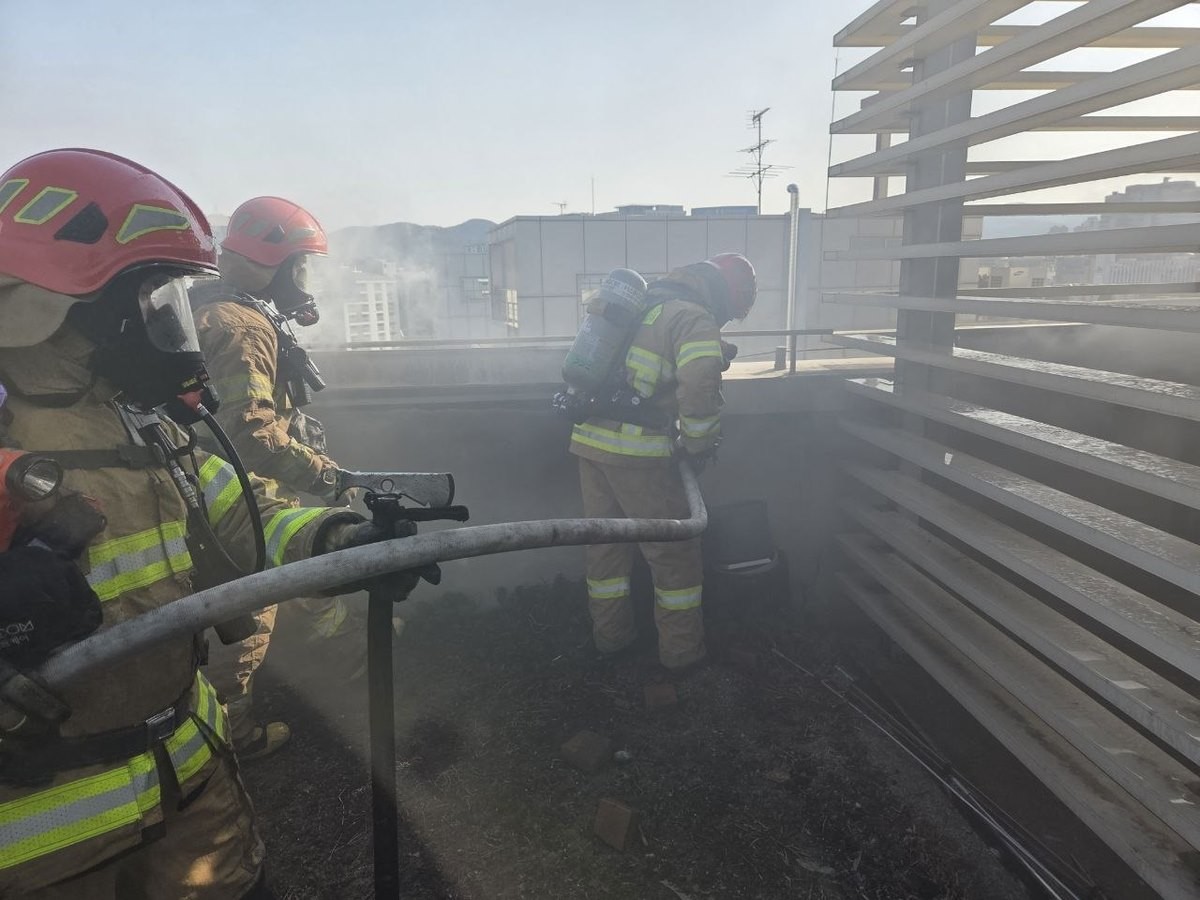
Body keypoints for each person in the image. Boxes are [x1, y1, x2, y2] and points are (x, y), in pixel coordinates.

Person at [0, 148, 414, 899]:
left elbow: (244, 519)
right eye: (147, 299)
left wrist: (339, 541)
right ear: (59, 310)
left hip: (189, 776)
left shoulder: (145, 425)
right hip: (50, 832)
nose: (170, 323)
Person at [189, 197, 357, 761]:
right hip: (235, 497)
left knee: (303, 587)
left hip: (201, 485)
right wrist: (327, 477)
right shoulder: (240, 326)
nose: (306, 278)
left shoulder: (207, 305)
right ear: (275, 263)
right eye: (302, 263)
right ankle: (230, 746)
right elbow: (251, 433)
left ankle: (339, 664)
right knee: (245, 626)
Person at [569, 253, 756, 671]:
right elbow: (699, 389)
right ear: (725, 296)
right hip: (638, 455)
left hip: (589, 442)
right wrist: (698, 443)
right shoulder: (693, 318)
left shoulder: (646, 304)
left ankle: (612, 641)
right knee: (675, 557)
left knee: (607, 553)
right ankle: (682, 657)